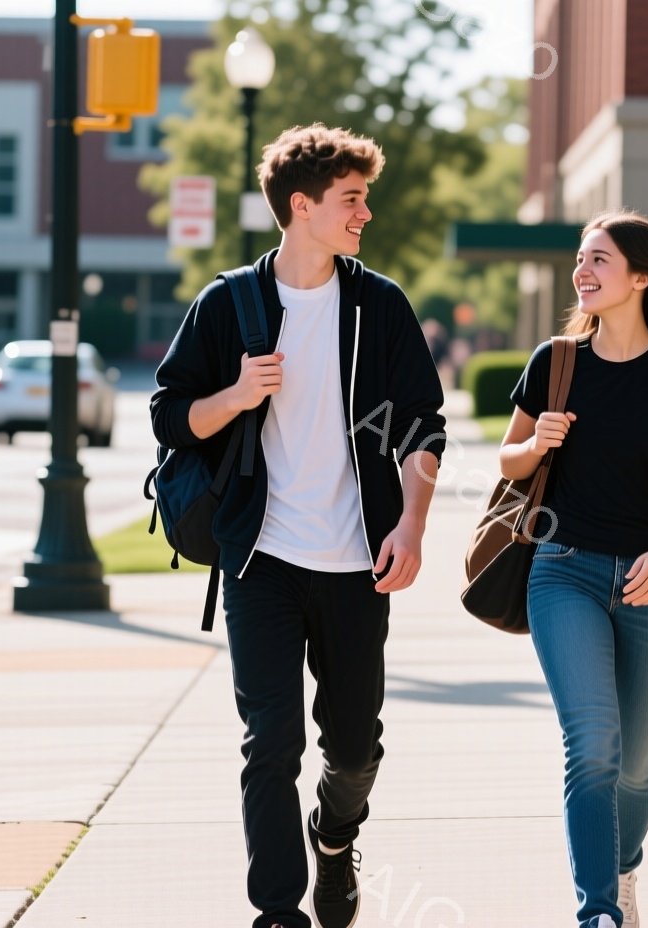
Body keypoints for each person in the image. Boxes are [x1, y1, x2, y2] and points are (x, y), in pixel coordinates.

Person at [150, 123, 447, 928]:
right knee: (269, 745)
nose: (365, 214)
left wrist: (412, 525)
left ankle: (336, 834)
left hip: (357, 562)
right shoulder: (230, 304)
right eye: (352, 200)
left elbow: (422, 423)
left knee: (353, 748)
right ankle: (277, 912)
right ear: (302, 206)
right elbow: (170, 415)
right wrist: (235, 396)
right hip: (262, 562)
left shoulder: (378, 307)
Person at [498, 211, 648, 928]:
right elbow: (506, 465)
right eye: (580, 258)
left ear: (640, 276)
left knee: (635, 759)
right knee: (592, 745)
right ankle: (598, 911)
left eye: (599, 259)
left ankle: (623, 869)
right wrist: (535, 442)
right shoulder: (557, 362)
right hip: (563, 571)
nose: (583, 271)